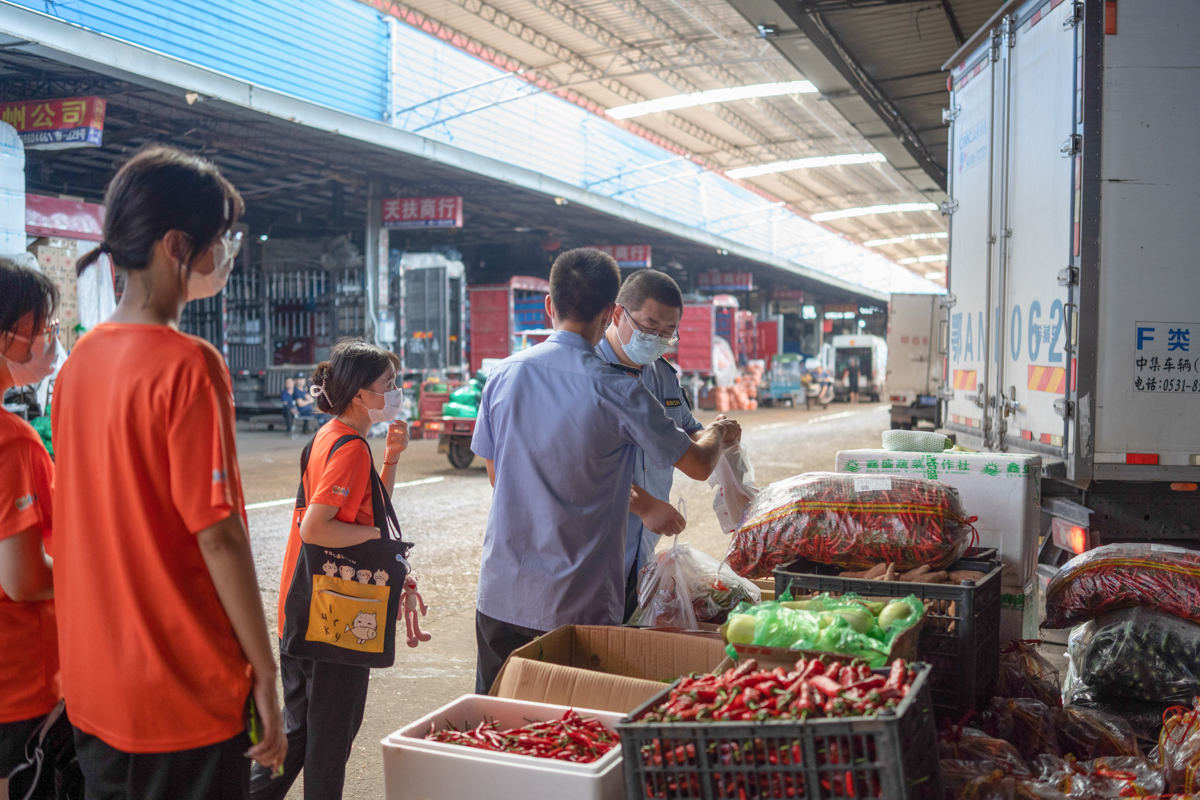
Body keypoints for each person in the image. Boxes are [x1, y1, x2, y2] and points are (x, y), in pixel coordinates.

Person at [53, 146, 286, 798]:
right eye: (222, 239)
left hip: (96, 689)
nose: (227, 253)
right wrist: (265, 673)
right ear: (178, 245)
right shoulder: (188, 365)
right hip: (182, 692)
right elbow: (218, 535)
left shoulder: (77, 368)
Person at [470, 248, 740, 694]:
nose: (658, 338)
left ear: (549, 305)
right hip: (577, 603)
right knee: (570, 723)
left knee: (496, 718)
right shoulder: (617, 389)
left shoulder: (503, 375)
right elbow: (696, 462)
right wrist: (718, 432)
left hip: (503, 590)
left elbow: (498, 476)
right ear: (609, 312)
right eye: (650, 326)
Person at [256, 339, 409, 800]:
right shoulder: (349, 448)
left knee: (302, 734)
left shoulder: (331, 435)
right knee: (329, 741)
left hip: (306, 610)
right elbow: (318, 529)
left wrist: (392, 458)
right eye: (388, 385)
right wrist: (381, 542)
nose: (396, 392)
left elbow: (368, 509)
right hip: (333, 621)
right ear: (360, 394)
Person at [594, 269, 739, 621]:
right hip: (596, 542)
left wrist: (716, 435)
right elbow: (576, 464)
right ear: (618, 314)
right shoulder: (591, 372)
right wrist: (643, 504)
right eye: (648, 327)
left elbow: (687, 433)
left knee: (626, 628)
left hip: (642, 545)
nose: (656, 339)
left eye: (666, 333)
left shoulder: (661, 373)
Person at [0, 258, 60, 797]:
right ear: (11, 332)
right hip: (19, 683)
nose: (50, 339)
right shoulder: (13, 441)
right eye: (45, 327)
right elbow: (23, 579)